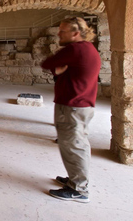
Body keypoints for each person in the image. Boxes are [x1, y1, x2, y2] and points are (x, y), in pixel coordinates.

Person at [41, 16, 101, 203]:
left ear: (76, 33)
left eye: (63, 31)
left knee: (74, 146)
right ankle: (75, 180)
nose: (59, 34)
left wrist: (57, 70)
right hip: (80, 105)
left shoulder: (74, 49)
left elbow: (47, 63)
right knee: (75, 144)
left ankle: (79, 189)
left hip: (73, 106)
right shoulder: (88, 48)